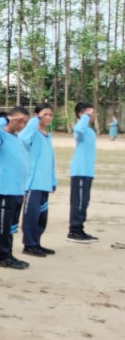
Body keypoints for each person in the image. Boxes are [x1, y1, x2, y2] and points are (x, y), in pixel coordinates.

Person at [0, 107, 31, 270]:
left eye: (25, 122)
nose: (21, 125)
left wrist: (23, 190)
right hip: (3, 190)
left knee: (11, 226)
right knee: (2, 227)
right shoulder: (0, 136)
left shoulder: (17, 138)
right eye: (18, 120)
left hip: (16, 190)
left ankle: (8, 254)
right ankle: (1, 256)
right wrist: (6, 119)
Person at [20, 103, 57, 258]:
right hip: (32, 183)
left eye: (50, 114)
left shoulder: (48, 135)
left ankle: (37, 242)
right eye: (45, 114)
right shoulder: (31, 133)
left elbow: (51, 160)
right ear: (37, 116)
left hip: (44, 182)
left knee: (42, 215)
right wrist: (35, 120)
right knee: (31, 215)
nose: (48, 117)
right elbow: (22, 138)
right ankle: (29, 244)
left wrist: (53, 180)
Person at [67, 103, 98, 243]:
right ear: (81, 114)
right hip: (79, 171)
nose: (93, 116)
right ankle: (74, 231)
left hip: (87, 171)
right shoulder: (81, 128)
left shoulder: (89, 131)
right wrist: (85, 116)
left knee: (84, 202)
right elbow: (78, 129)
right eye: (90, 113)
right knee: (78, 202)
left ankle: (79, 229)